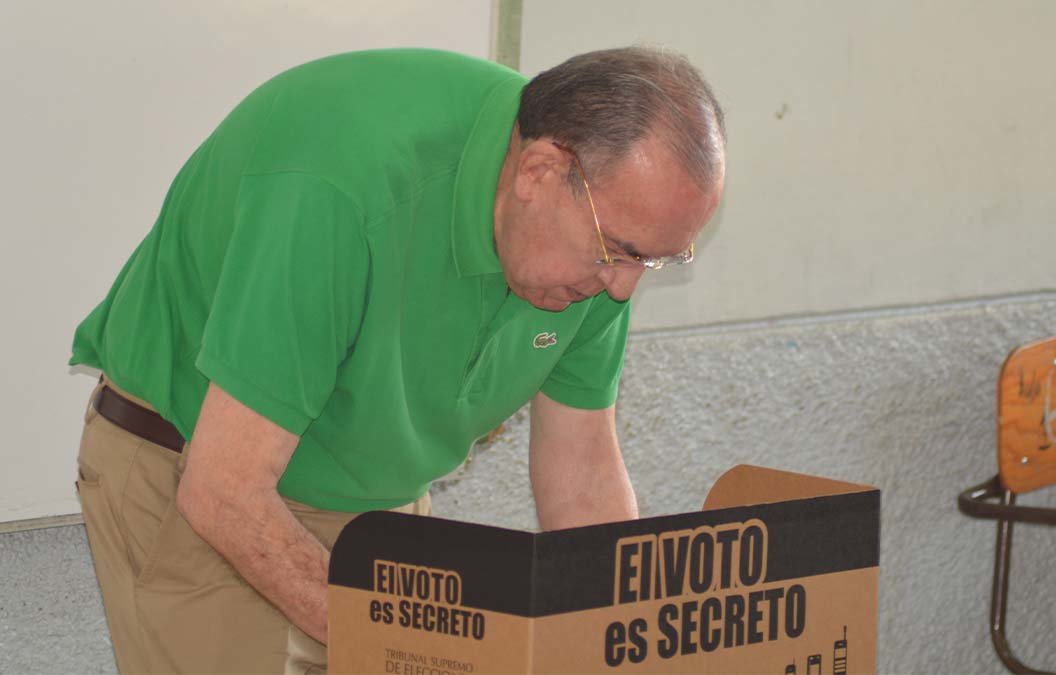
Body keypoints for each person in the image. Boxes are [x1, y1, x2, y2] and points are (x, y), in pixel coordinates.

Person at [69, 46, 725, 673]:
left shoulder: (597, 237)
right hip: (196, 476)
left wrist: (619, 642)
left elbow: (582, 480)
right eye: (621, 250)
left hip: (372, 504)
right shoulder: (341, 189)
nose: (625, 287)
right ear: (539, 172)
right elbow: (223, 491)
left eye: (658, 260)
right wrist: (412, 639)